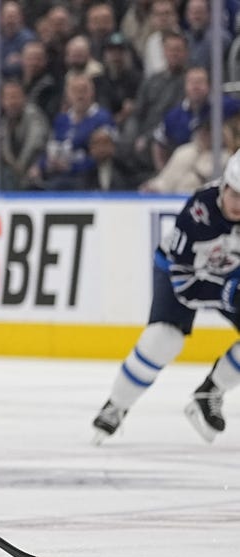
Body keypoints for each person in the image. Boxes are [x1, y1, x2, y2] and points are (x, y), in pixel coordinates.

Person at [92, 148, 240, 445]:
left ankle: (210, 391)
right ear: (224, 184)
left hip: (229, 275)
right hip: (181, 272)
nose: (239, 204)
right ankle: (117, 404)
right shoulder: (199, 212)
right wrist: (226, 293)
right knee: (163, 339)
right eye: (235, 193)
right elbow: (185, 284)